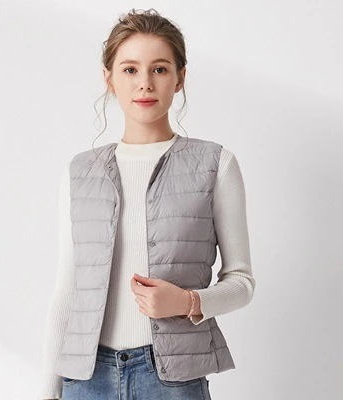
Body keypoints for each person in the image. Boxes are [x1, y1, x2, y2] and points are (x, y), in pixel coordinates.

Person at [38, 8, 255, 400]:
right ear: (109, 78)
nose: (145, 83)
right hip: (86, 380)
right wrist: (45, 390)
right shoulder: (80, 171)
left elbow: (241, 281)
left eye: (159, 69)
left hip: (171, 380)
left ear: (180, 78)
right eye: (130, 69)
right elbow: (67, 291)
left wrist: (188, 301)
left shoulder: (215, 164)